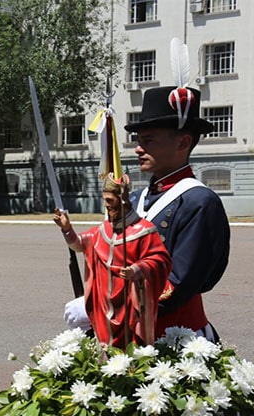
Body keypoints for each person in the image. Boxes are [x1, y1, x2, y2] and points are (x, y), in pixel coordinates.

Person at [65, 86, 230, 342]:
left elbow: (177, 284)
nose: (139, 149)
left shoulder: (199, 202)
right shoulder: (135, 198)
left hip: (174, 338)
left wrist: (105, 305)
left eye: (149, 140)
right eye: (139, 140)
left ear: (183, 142)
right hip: (123, 332)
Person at [54, 174, 171, 348]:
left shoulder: (144, 230)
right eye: (104, 200)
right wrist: (67, 229)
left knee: (131, 347)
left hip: (130, 303)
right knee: (105, 346)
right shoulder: (103, 230)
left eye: (110, 200)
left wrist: (136, 270)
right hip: (103, 303)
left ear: (122, 200)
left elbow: (160, 260)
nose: (107, 205)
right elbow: (78, 245)